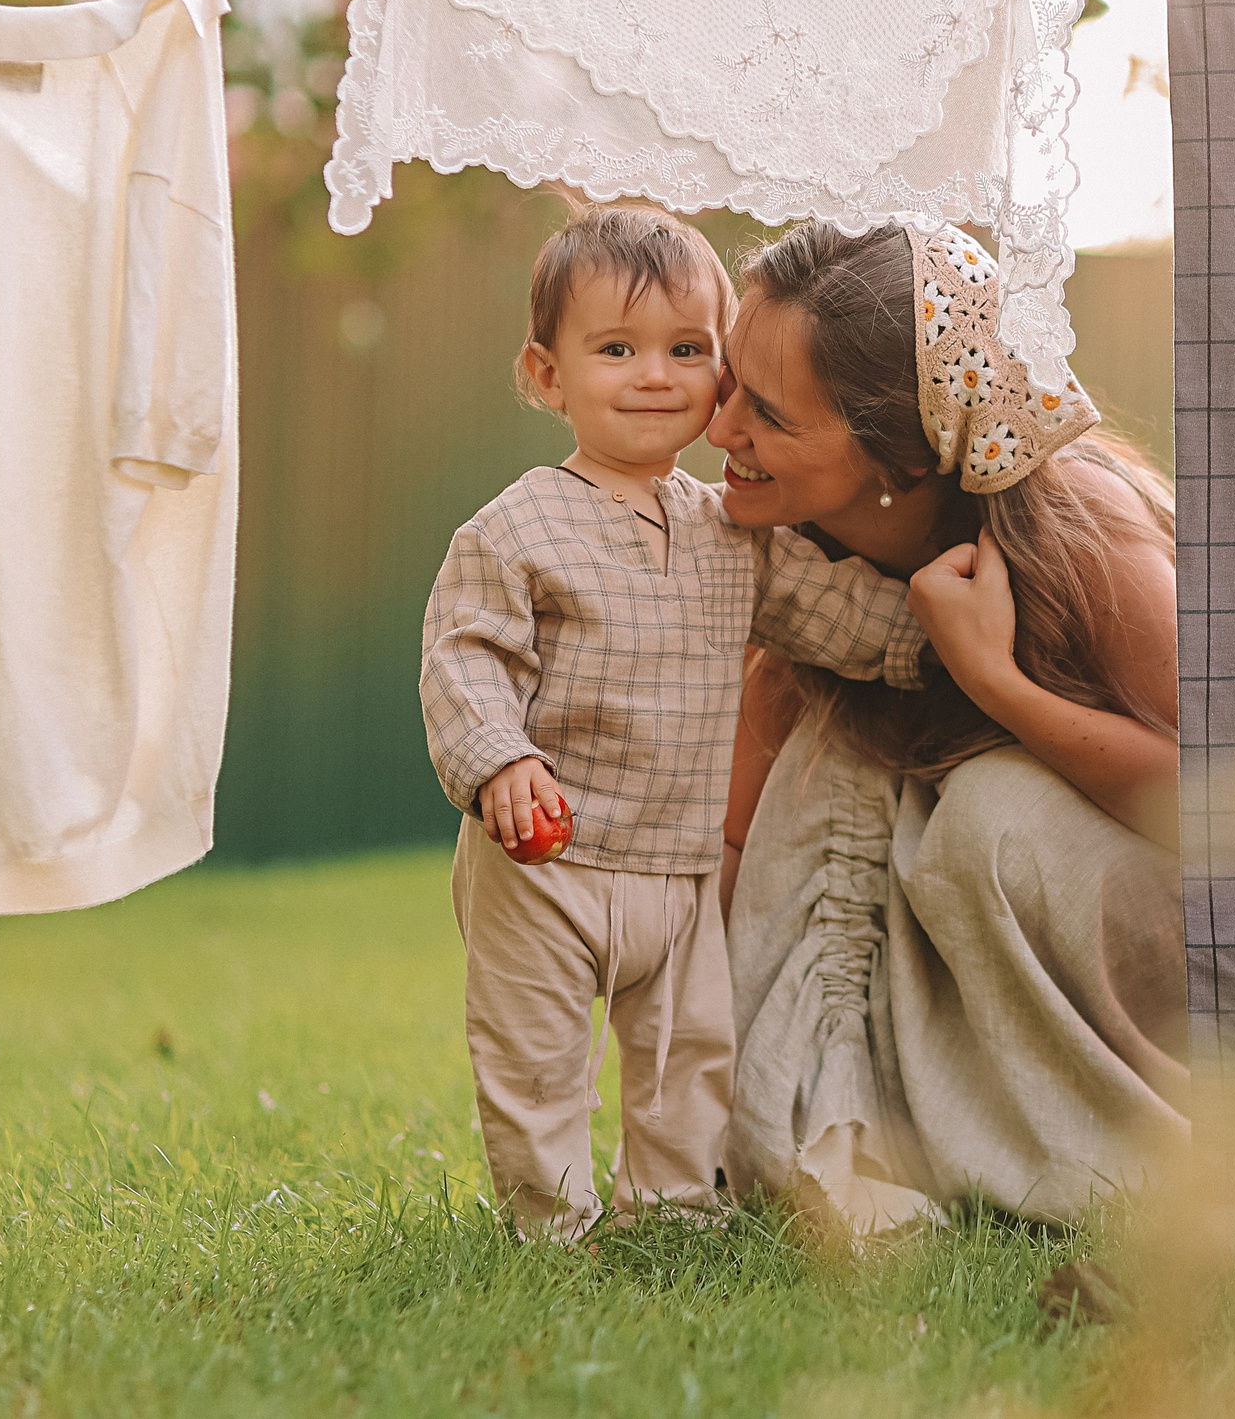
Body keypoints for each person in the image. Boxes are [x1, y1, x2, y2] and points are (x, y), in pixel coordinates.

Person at [419, 206, 930, 1241]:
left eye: (687, 350)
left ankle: (671, 1212)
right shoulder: (519, 525)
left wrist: (934, 633)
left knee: (688, 1052)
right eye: (617, 350)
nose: (655, 375)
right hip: (547, 861)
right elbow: (466, 654)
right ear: (547, 375)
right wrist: (500, 761)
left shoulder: (727, 531)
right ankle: (549, 1223)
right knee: (539, 1056)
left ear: (721, 374)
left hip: (680, 864)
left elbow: (832, 612)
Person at [707, 220, 1190, 1234]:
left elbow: (1228, 812)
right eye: (727, 383)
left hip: (1199, 944)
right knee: (831, 773)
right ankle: (883, 1134)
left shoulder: (1082, 536)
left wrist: (996, 683)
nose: (721, 432)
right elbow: (741, 847)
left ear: (905, 457)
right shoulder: (803, 557)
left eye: (767, 413)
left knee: (989, 808)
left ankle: (1131, 1169)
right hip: (1000, 949)